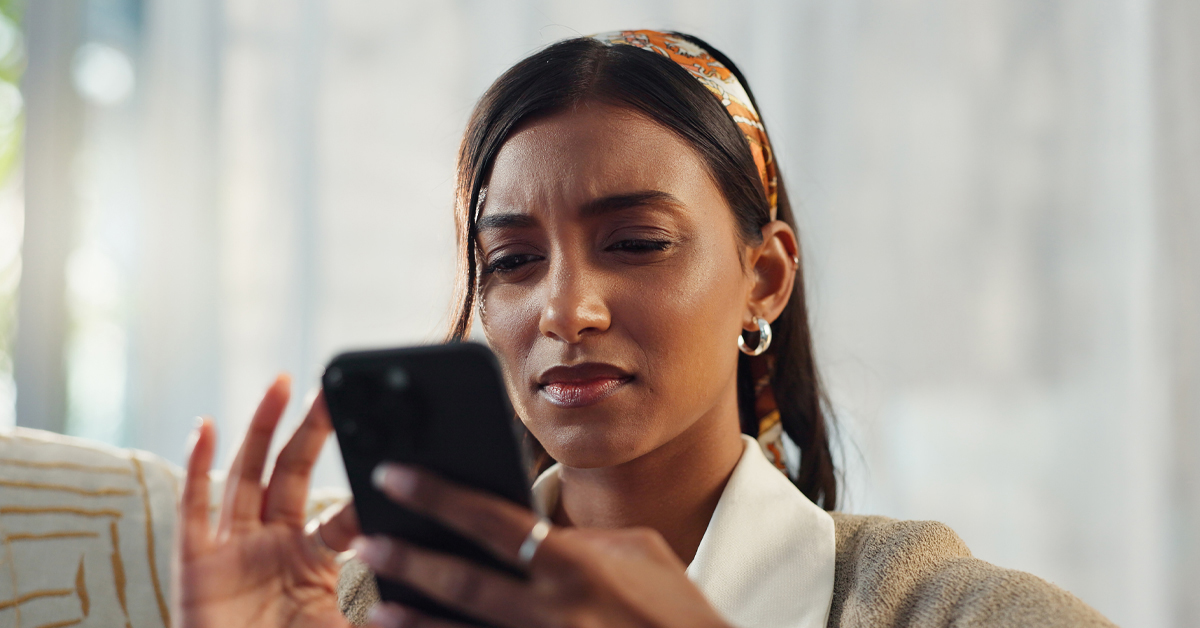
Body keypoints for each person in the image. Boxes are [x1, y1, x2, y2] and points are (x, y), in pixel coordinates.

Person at [172, 31, 1115, 628]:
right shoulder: (365, 611)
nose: (563, 308)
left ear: (765, 279)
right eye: (511, 262)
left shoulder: (964, 614)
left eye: (636, 242)